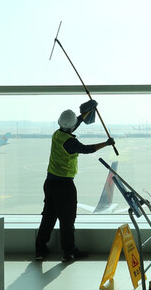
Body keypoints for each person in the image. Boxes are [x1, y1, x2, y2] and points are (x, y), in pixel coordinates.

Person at [35, 101, 114, 262]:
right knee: (67, 219)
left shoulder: (57, 134)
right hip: (65, 186)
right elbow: (87, 149)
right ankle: (69, 252)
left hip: (50, 184)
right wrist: (106, 144)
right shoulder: (70, 142)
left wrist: (86, 112)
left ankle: (40, 250)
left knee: (48, 217)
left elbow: (74, 123)